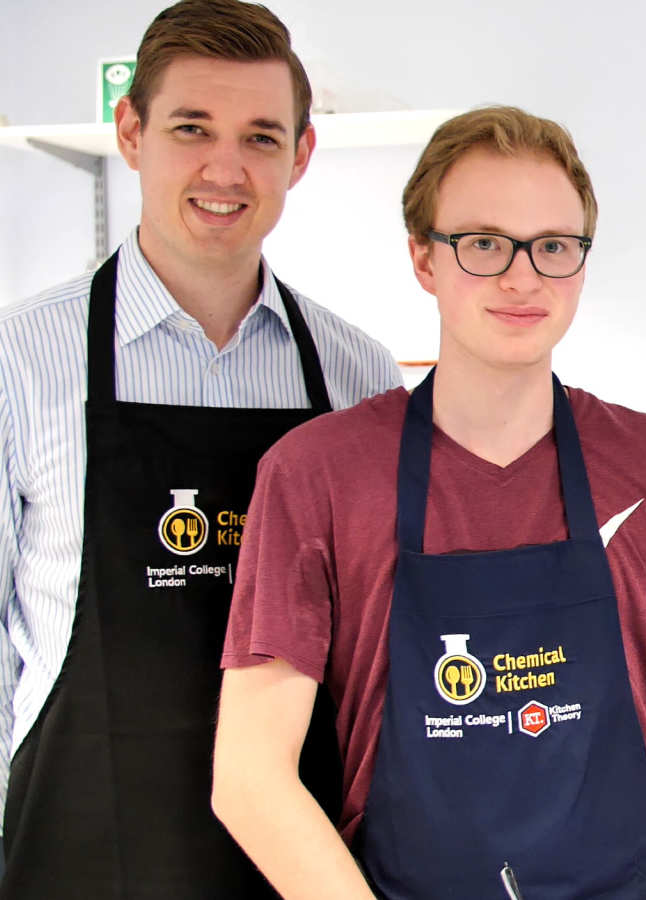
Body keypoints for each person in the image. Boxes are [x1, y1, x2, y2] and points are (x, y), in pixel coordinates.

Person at [208, 106, 646, 899]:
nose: (522, 276)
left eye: (554, 247)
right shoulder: (316, 475)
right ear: (424, 260)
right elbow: (250, 776)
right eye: (484, 243)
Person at [0, 1, 399, 894]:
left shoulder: (358, 375)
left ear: (299, 157)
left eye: (261, 137)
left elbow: (380, 648)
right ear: (131, 131)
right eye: (192, 128)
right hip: (84, 848)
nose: (226, 168)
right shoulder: (19, 363)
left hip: (306, 863)